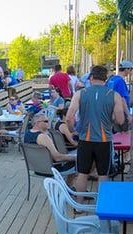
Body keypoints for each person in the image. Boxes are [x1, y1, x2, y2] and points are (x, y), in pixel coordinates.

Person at [66, 65, 125, 201]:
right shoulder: (114, 95)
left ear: (91, 78)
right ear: (106, 79)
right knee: (103, 174)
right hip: (104, 141)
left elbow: (69, 118)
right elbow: (120, 120)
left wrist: (72, 130)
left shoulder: (80, 93)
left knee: (82, 173)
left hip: (85, 140)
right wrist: (111, 118)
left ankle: (79, 207)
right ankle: (102, 206)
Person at [24, 113, 76, 177]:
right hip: (50, 170)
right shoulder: (42, 137)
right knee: (82, 163)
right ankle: (67, 186)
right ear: (37, 123)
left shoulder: (27, 134)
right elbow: (57, 158)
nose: (48, 123)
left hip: (36, 169)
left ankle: (65, 185)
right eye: (46, 121)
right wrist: (75, 158)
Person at [106, 60, 133, 131]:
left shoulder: (112, 79)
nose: (131, 72)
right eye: (131, 69)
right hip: (121, 113)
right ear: (126, 69)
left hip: (112, 111)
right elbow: (122, 99)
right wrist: (128, 115)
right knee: (122, 135)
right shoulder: (120, 81)